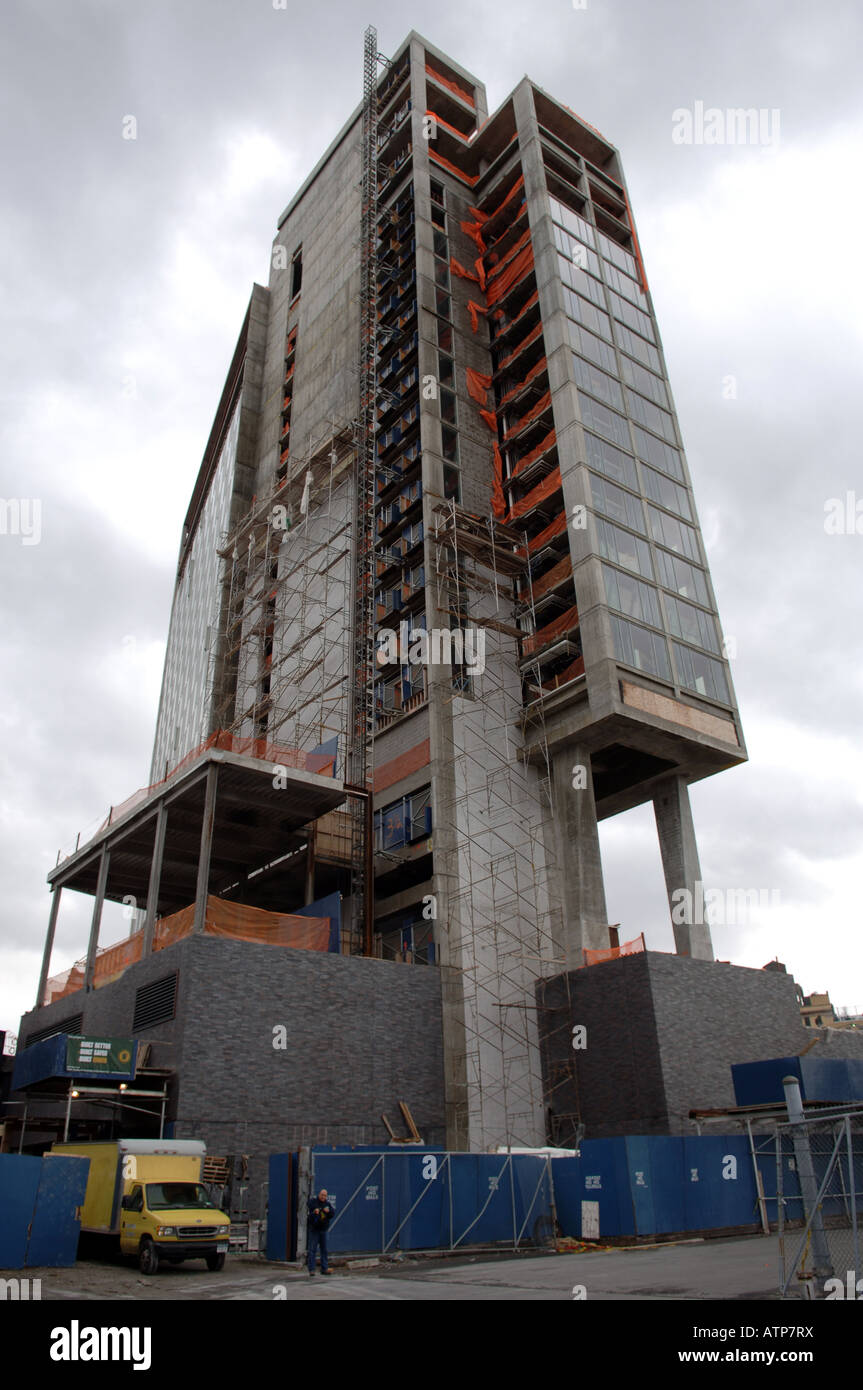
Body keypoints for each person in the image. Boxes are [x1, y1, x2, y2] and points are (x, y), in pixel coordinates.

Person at [307, 1188, 335, 1276]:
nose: (323, 1197)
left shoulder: (327, 1204)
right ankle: (312, 1269)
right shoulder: (314, 1201)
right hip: (314, 1230)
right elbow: (309, 1204)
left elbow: (332, 1213)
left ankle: (324, 1268)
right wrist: (315, 1210)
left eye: (325, 1196)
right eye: (322, 1195)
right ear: (319, 1194)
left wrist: (329, 1211)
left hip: (324, 1230)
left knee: (324, 1250)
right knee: (312, 1250)